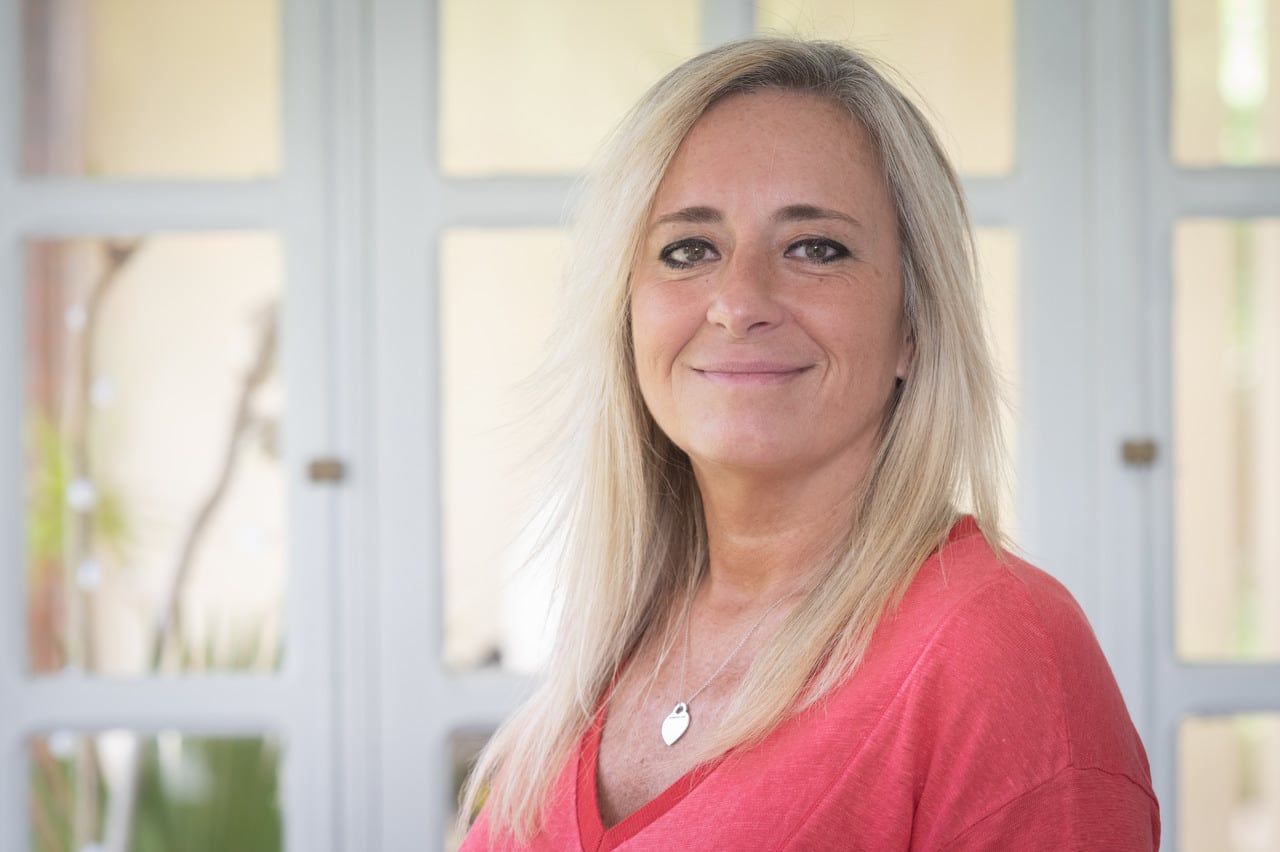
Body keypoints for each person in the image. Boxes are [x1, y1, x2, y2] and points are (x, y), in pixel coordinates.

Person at [456, 36, 1159, 851]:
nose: (739, 300)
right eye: (688, 249)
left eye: (815, 248)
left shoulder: (1000, 654)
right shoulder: (618, 640)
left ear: (913, 327)